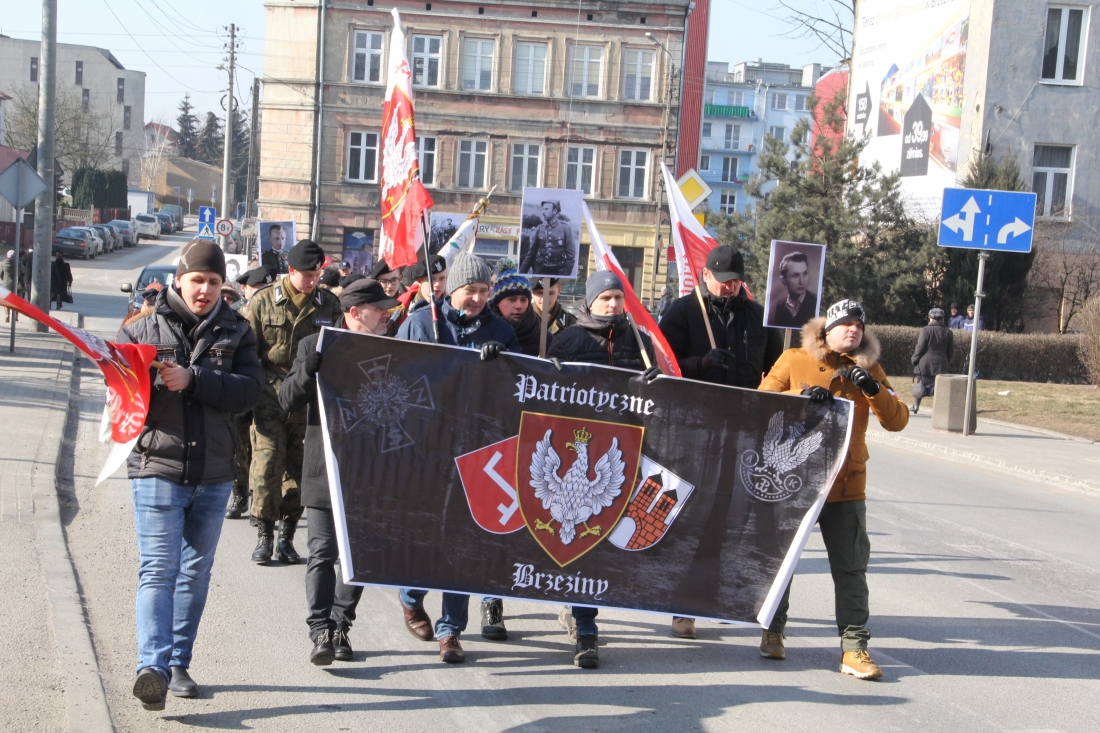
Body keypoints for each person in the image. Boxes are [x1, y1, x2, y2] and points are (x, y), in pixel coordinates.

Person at [117, 239, 264, 710]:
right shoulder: (140, 327)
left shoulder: (238, 330)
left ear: (223, 285)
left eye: (214, 282)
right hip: (157, 467)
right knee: (159, 570)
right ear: (179, 279)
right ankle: (152, 667)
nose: (205, 290)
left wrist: (193, 379)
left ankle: (178, 662)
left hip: (215, 473)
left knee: (195, 573)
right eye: (197, 280)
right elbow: (119, 399)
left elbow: (250, 392)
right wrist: (136, 379)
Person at [758, 299, 909, 679]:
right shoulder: (795, 359)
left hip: (846, 486)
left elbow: (898, 420)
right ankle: (773, 631)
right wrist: (800, 398)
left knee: (851, 569)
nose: (854, 329)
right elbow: (760, 402)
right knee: (783, 562)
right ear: (827, 331)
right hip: (794, 482)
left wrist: (873, 388)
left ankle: (854, 649)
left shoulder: (869, 368)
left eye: (859, 325)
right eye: (846, 324)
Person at [396, 251, 520, 663]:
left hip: (477, 448)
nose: (478, 298)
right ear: (452, 290)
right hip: (426, 446)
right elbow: (394, 377)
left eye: (484, 290)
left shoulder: (501, 330)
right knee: (425, 535)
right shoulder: (420, 323)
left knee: (463, 542)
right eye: (470, 290)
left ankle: (451, 630)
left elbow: (519, 387)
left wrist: (501, 365)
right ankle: (410, 596)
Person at [658, 245, 782, 640]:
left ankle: (722, 598)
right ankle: (683, 608)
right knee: (693, 519)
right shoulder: (682, 312)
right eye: (723, 281)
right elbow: (662, 365)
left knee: (734, 521)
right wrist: (701, 363)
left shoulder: (758, 316)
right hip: (695, 433)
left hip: (743, 431)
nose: (729, 288)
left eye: (736, 282)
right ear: (706, 275)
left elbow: (777, 371)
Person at [280, 278, 399, 666]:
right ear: (355, 312)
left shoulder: (395, 349)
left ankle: (340, 624)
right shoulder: (313, 345)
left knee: (360, 556)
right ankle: (319, 629)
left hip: (372, 471)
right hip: (325, 468)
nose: (387, 315)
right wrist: (307, 372)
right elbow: (287, 399)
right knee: (323, 551)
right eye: (379, 309)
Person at [545, 271, 659, 669]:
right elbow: (544, 393)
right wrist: (549, 370)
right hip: (580, 447)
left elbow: (657, 397)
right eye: (605, 297)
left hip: (623, 449)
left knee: (606, 540)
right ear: (590, 301)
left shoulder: (640, 342)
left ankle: (578, 606)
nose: (613, 304)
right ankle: (586, 626)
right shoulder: (568, 340)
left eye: (618, 297)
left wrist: (655, 381)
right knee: (582, 537)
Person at [246, 240, 343, 564]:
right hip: (270, 397)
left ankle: (286, 537)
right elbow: (248, 353)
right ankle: (264, 535)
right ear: (290, 271)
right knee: (267, 467)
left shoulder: (329, 305)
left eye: (316, 275)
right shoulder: (263, 302)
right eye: (306, 275)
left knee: (300, 472)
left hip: (308, 401)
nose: (313, 281)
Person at [224, 267, 277, 520]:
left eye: (268, 288)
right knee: (238, 446)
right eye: (258, 289)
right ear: (245, 289)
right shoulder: (234, 316)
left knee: (264, 451)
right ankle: (240, 491)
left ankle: (260, 500)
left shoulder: (276, 310)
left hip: (268, 391)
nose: (263, 294)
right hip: (243, 388)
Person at [490, 262, 547, 357]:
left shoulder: (544, 338)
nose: (518, 306)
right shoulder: (481, 330)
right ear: (497, 302)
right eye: (512, 300)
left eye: (523, 300)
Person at [911, 307, 953, 414]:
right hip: (941, 365)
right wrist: (947, 361)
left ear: (931, 318)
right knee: (939, 389)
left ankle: (916, 405)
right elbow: (950, 351)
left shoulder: (925, 330)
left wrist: (914, 359)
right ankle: (939, 410)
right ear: (942, 319)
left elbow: (920, 347)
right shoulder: (948, 332)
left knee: (920, 385)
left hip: (925, 364)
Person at [520, 200, 577, 276]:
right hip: (540, 270)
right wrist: (521, 274)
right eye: (543, 209)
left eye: (546, 209)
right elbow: (531, 254)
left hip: (558, 271)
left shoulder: (565, 228)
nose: (543, 212)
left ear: (555, 211)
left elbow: (571, 257)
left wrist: (565, 276)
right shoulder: (540, 228)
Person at [769, 251, 818, 328]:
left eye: (804, 274)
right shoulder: (780, 305)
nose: (802, 281)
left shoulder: (816, 302)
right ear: (783, 280)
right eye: (795, 275)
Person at [2, 251, 16, 322]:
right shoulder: (17, 263)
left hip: (6, 283)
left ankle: (7, 314)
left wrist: (4, 279)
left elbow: (1, 273)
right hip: (16, 283)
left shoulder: (3, 263)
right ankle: (16, 315)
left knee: (7, 300)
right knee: (16, 300)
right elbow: (23, 270)